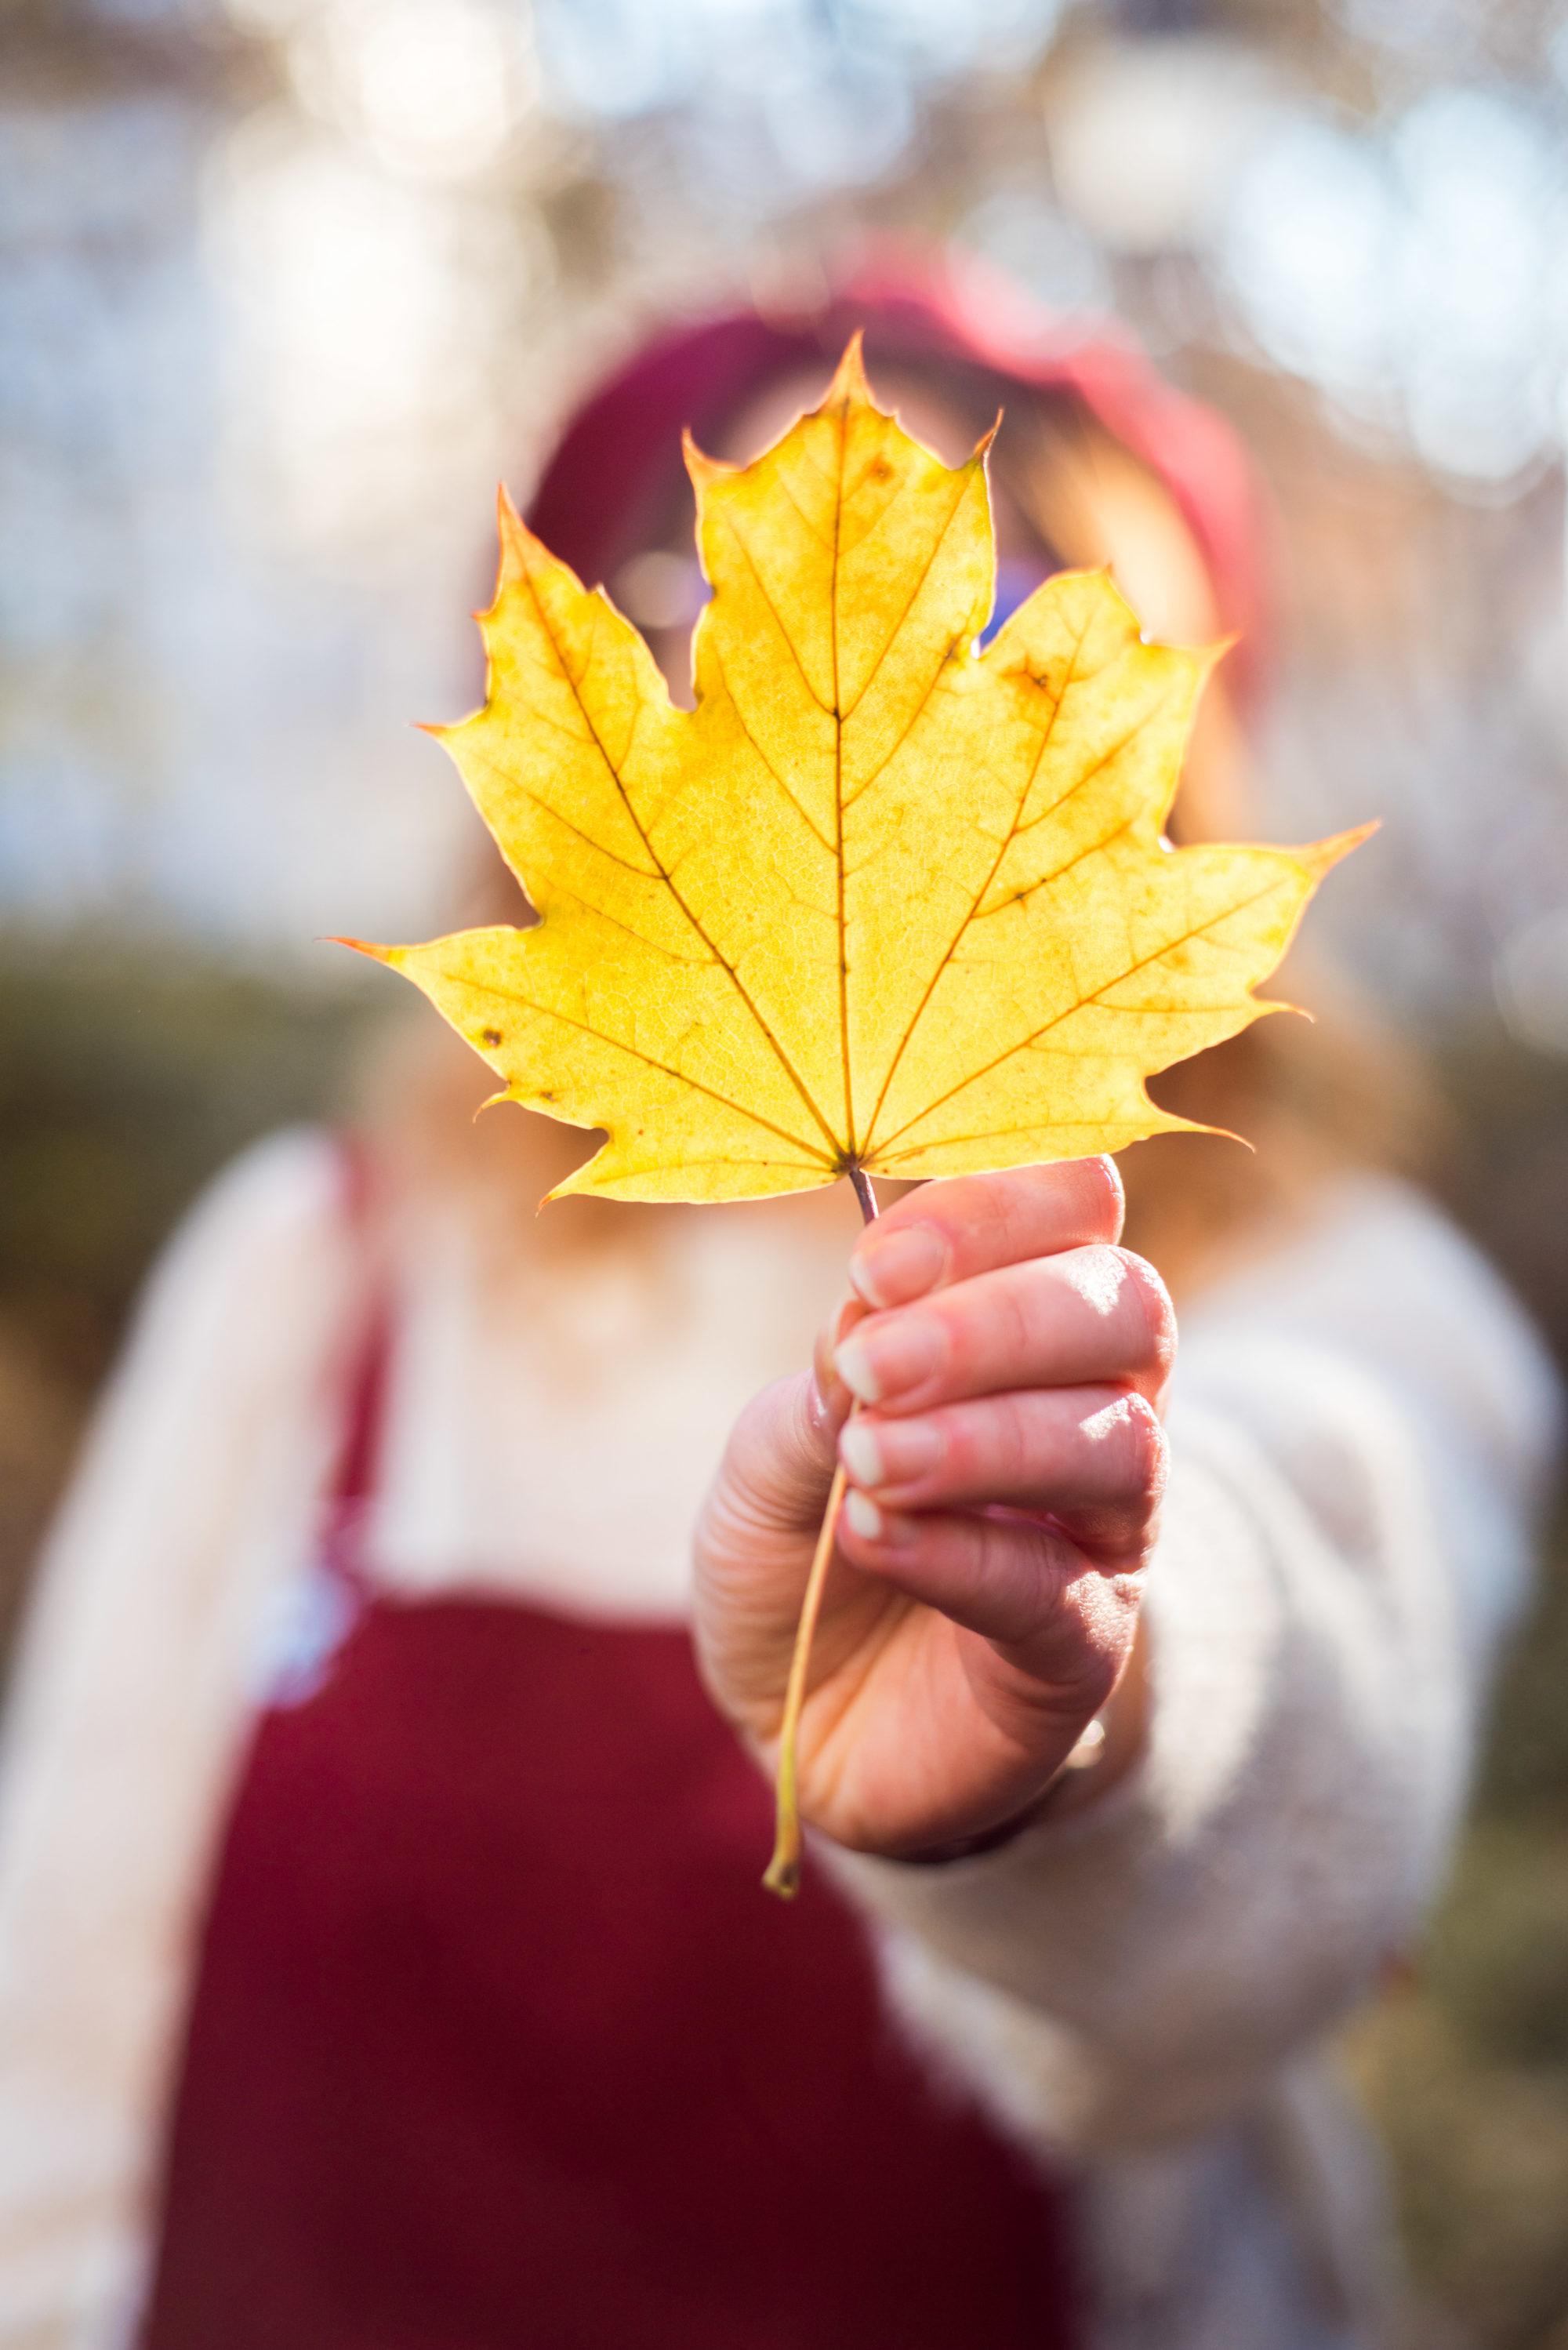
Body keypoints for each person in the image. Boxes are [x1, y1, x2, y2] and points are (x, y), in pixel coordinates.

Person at [0, 252, 1557, 2350]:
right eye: (676, 607)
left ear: (1153, 718)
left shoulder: (1326, 1287)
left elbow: (1313, 1688)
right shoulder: (325, 1266)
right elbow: (65, 2023)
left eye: (998, 608)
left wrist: (1089, 1716)